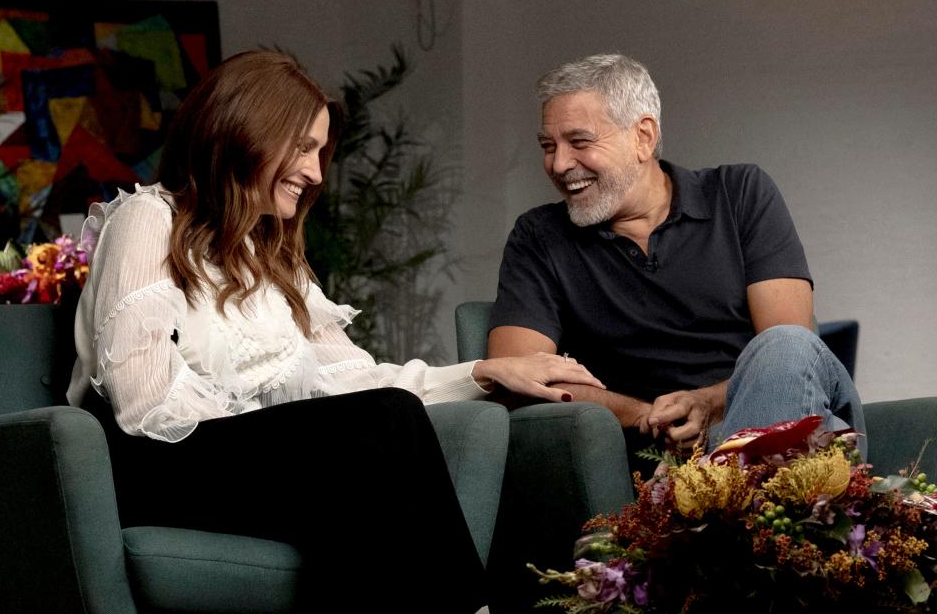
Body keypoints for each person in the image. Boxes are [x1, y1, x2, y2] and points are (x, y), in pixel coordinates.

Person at [66, 50, 603, 612]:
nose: (317, 172)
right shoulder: (150, 218)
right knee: (380, 427)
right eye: (303, 147)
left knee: (385, 429)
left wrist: (483, 372)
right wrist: (291, 431)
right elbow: (142, 403)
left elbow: (358, 383)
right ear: (243, 130)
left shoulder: (271, 256)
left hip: (251, 466)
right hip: (157, 467)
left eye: (321, 152)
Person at [488, 53, 865, 468]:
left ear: (643, 137)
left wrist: (704, 404)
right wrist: (648, 417)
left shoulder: (740, 194)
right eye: (548, 146)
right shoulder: (539, 237)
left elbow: (789, 352)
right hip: (659, 450)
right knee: (820, 446)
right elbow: (521, 376)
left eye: (579, 142)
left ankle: (720, 490)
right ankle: (755, 503)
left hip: (762, 412)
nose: (559, 164)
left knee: (787, 348)